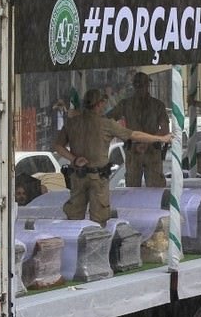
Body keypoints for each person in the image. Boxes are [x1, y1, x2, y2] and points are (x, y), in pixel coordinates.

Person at [55, 89, 171, 227]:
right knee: (99, 220)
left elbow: (58, 146)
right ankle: (97, 246)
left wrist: (74, 159)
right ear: (98, 104)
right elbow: (134, 135)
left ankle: (76, 243)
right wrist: (160, 138)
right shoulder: (105, 124)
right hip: (98, 178)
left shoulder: (72, 123)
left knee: (74, 218)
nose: (104, 107)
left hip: (77, 176)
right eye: (103, 104)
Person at [107, 72, 169, 188]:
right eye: (138, 85)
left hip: (151, 151)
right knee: (132, 189)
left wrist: (146, 142)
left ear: (147, 85)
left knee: (154, 189)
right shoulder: (125, 105)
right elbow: (107, 120)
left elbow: (165, 129)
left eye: (142, 85)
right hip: (134, 151)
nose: (140, 88)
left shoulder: (157, 105)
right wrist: (123, 134)